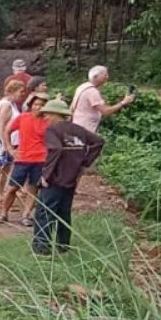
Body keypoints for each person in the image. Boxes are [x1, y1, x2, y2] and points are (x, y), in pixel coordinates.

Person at [34, 98, 104, 256]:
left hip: (55, 178)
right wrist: (85, 162)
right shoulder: (78, 130)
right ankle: (63, 247)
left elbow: (56, 149)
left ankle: (41, 248)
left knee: (44, 212)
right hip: (72, 177)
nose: (45, 118)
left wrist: (46, 174)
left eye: (47, 114)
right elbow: (99, 142)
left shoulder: (53, 131)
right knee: (63, 213)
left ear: (56, 114)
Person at [0, 91, 49, 226]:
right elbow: (7, 130)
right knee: (12, 188)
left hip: (41, 159)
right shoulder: (23, 117)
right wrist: (9, 147)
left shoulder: (48, 122)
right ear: (31, 105)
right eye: (36, 104)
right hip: (23, 158)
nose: (38, 107)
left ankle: (26, 215)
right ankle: (4, 213)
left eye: (42, 105)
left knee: (33, 188)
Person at [0, 78, 26, 207]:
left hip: (12, 142)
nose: (23, 94)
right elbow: (1, 126)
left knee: (6, 168)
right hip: (2, 142)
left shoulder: (13, 104)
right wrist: (5, 144)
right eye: (21, 91)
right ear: (13, 91)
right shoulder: (6, 105)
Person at [69, 66, 133, 133]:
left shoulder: (82, 87)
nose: (107, 77)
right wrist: (123, 102)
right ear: (95, 76)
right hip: (86, 130)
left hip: (77, 125)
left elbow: (72, 106)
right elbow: (106, 111)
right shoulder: (92, 92)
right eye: (105, 75)